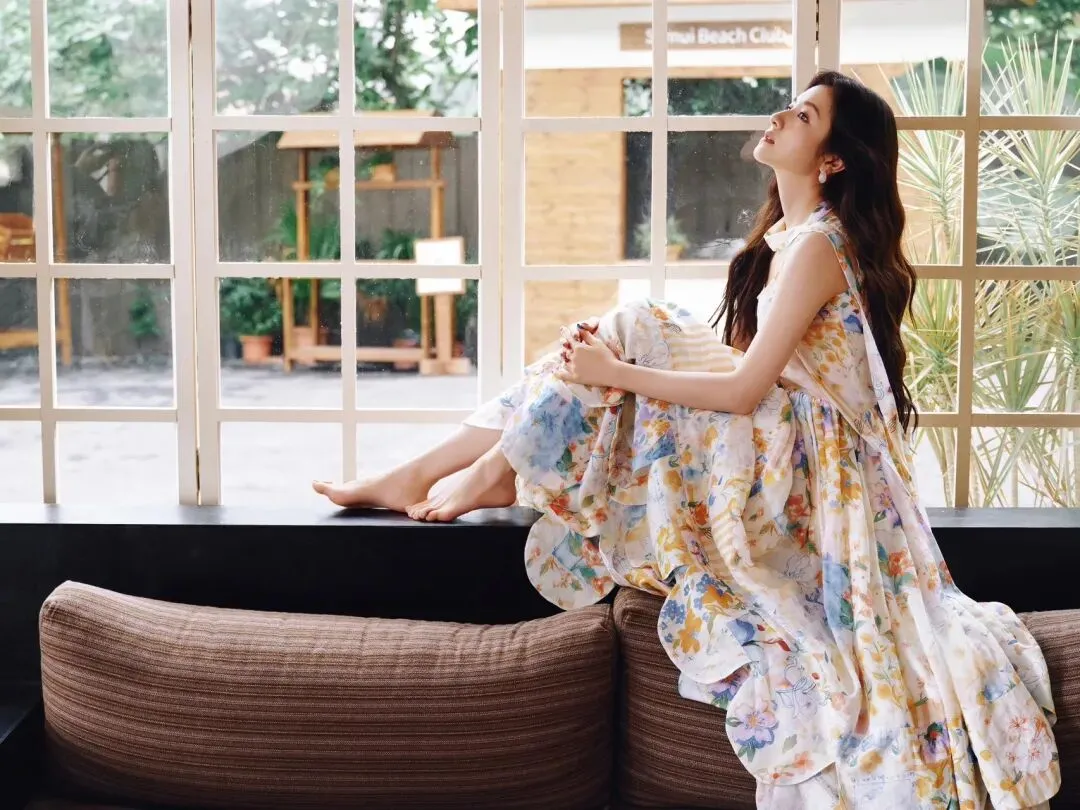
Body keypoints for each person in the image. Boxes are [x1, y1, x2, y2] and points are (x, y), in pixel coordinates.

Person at [314, 71, 1059, 808]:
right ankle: (472, 468)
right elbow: (748, 371)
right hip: (785, 435)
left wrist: (615, 373)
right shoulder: (794, 239)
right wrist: (607, 368)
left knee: (630, 332)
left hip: (808, 469)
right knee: (624, 330)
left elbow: (744, 391)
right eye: (789, 107)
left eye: (803, 115)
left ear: (833, 159)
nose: (779, 117)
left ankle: (474, 471)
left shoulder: (820, 247)